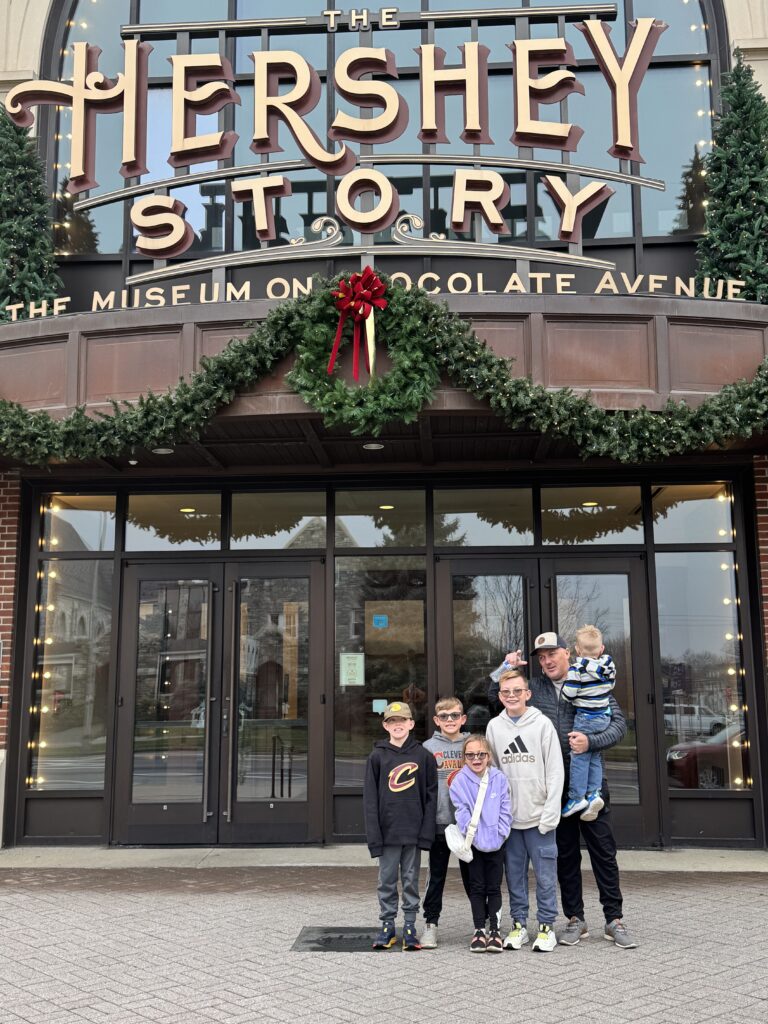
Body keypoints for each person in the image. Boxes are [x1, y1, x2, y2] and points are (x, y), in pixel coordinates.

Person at [490, 633, 637, 949]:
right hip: (556, 792)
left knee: (603, 854)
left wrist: (590, 742)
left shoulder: (590, 678)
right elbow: (494, 697)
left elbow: (619, 725)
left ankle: (614, 919)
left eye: (551, 654)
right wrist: (504, 666)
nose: (546, 661)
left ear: (566, 653)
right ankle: (575, 919)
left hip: (591, 789)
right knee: (566, 856)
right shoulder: (535, 688)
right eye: (541, 658)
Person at [486, 669, 564, 953]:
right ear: (500, 696)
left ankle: (546, 927)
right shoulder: (494, 726)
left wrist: (551, 811)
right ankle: (519, 925)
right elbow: (492, 771)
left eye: (517, 691)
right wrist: (496, 815)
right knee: (514, 876)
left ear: (527, 694)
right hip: (510, 820)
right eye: (506, 692)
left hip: (539, 817)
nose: (512, 696)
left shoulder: (542, 725)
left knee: (545, 875)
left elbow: (555, 770)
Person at [363, 700, 438, 951]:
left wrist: (426, 833)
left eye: (402, 721)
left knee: (410, 880)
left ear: (411, 724)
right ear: (385, 725)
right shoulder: (377, 756)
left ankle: (409, 925)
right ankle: (386, 925)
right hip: (387, 833)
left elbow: (431, 797)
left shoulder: (423, 756)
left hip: (412, 832)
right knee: (386, 880)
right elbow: (370, 800)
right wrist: (374, 835)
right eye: (391, 722)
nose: (397, 726)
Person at [449, 734, 512, 953]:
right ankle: (479, 930)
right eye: (470, 755)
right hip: (473, 843)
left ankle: (494, 930)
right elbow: (461, 812)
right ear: (464, 757)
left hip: (496, 842)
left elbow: (505, 808)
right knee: (476, 887)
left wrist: (501, 833)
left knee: (494, 887)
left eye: (481, 754)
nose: (476, 759)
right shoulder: (459, 781)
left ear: (489, 756)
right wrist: (472, 837)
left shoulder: (499, 779)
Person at [420, 695, 471, 949]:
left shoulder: (472, 744)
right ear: (436, 720)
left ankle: (481, 924)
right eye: (444, 716)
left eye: (454, 716)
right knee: (436, 875)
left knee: (473, 875)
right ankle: (431, 923)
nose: (449, 720)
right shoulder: (428, 748)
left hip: (467, 824)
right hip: (439, 822)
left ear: (463, 718)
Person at [561, 624, 616, 819]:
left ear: (576, 650)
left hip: (585, 718)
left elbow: (569, 693)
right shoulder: (608, 665)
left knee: (579, 756)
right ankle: (594, 793)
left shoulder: (577, 668)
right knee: (594, 756)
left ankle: (577, 797)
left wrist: (569, 688)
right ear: (601, 649)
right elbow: (610, 685)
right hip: (603, 717)